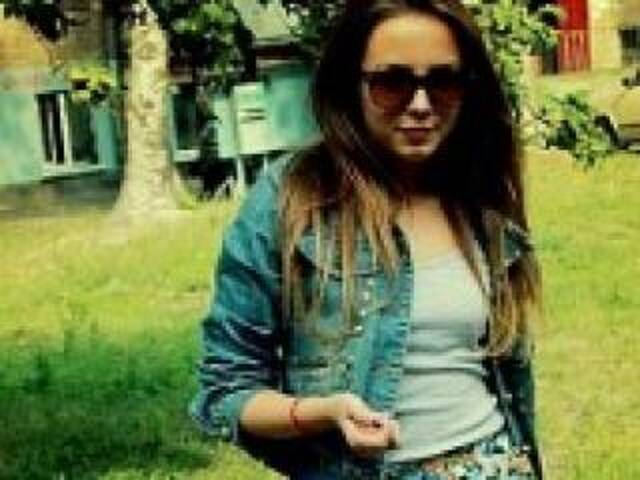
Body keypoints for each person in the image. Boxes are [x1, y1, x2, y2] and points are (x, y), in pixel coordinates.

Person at [190, 0, 544, 478]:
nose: (421, 105)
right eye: (392, 82)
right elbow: (225, 392)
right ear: (349, 86)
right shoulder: (290, 199)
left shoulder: (477, 194)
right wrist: (324, 413)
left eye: (444, 81)